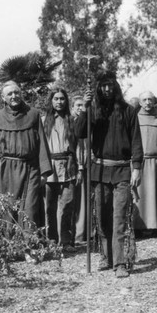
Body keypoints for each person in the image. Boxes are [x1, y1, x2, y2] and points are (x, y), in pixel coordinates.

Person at [76, 70, 143, 278]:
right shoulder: (94, 110)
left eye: (110, 85)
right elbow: (79, 132)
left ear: (116, 86)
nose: (107, 89)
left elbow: (136, 141)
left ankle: (121, 263)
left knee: (119, 217)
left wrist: (137, 168)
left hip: (122, 170)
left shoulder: (128, 111)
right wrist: (86, 109)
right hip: (100, 170)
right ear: (98, 88)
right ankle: (107, 256)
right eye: (103, 85)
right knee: (103, 217)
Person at [0, 81, 52, 230]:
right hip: (6, 171)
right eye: (10, 94)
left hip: (30, 169)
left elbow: (41, 143)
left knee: (30, 209)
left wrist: (44, 172)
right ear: (3, 98)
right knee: (8, 210)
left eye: (16, 92)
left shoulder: (33, 115)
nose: (14, 96)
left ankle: (31, 249)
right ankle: (12, 249)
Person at [42, 88, 80, 252]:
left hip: (69, 165)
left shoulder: (72, 120)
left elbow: (79, 147)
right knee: (49, 207)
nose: (59, 102)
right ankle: (51, 240)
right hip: (49, 167)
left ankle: (66, 241)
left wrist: (79, 168)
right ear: (51, 101)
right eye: (56, 99)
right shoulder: (44, 121)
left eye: (62, 99)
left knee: (67, 205)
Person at [135, 91, 157, 237]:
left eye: (150, 99)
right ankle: (137, 227)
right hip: (139, 162)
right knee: (138, 196)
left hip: (156, 161)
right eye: (144, 99)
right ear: (140, 102)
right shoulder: (134, 119)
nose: (148, 102)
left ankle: (155, 227)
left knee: (156, 194)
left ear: (154, 101)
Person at [71, 95, 87, 245]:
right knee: (77, 201)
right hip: (77, 165)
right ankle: (78, 233)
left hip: (89, 165)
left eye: (83, 105)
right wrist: (79, 166)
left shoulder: (87, 122)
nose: (80, 108)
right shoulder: (71, 122)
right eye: (77, 105)